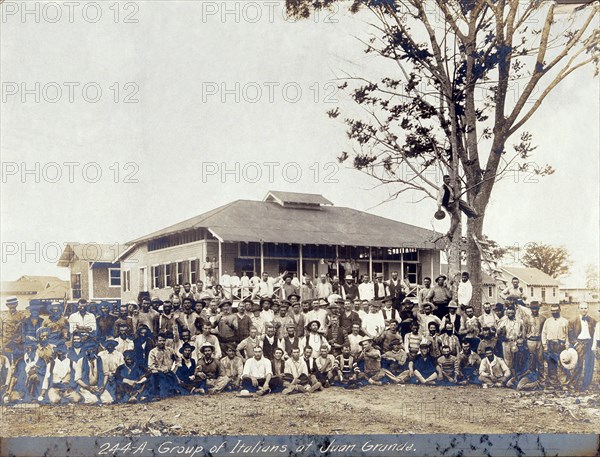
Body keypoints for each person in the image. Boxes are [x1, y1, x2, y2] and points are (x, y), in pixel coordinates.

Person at [567, 302, 596, 391]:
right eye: (582, 308)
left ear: (588, 309)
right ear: (579, 309)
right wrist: (576, 344)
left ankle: (586, 385)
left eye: (585, 308)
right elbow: (571, 335)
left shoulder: (592, 320)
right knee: (578, 364)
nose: (584, 310)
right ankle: (573, 383)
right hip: (579, 344)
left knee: (589, 365)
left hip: (589, 343)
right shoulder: (572, 321)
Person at [147, 334, 182, 399]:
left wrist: (175, 368)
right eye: (160, 340)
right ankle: (156, 393)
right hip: (158, 373)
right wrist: (160, 369)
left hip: (169, 372)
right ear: (156, 342)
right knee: (155, 374)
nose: (162, 342)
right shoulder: (153, 352)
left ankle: (173, 389)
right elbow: (151, 365)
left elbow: (178, 359)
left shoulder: (170, 350)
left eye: (163, 340)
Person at [524, 301, 545, 383]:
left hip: (539, 341)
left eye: (536, 309)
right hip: (530, 341)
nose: (535, 311)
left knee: (540, 360)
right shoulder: (527, 318)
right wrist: (525, 343)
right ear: (530, 309)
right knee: (531, 360)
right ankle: (532, 378)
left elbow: (544, 331)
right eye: (533, 309)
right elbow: (524, 332)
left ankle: (541, 379)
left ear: (539, 309)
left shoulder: (543, 318)